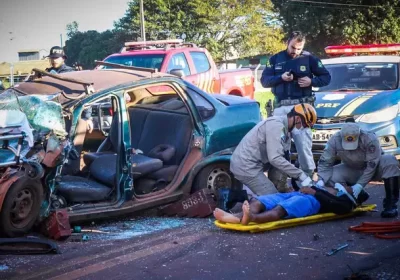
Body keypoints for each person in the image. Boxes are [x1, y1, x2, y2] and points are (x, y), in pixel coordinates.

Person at [261, 31, 331, 178]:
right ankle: (280, 181)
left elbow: (326, 77)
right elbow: (265, 81)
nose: (295, 51)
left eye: (299, 48)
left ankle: (309, 179)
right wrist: (280, 78)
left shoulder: (309, 58)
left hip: (302, 108)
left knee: (303, 146)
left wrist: (311, 81)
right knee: (278, 147)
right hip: (281, 109)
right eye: (293, 47)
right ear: (288, 42)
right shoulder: (275, 59)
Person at [230, 103, 317, 196]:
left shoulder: (286, 129)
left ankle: (273, 192)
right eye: (305, 125)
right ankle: (234, 198)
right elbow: (275, 158)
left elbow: (283, 157)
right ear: (298, 119)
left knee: (277, 192)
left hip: (256, 163)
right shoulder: (276, 125)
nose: (303, 129)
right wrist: (300, 175)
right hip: (246, 166)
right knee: (273, 199)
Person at [317, 122, 400, 218]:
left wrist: (360, 185)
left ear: (359, 135)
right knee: (330, 176)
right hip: (353, 168)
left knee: (390, 161)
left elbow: (371, 166)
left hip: (375, 168)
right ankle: (354, 197)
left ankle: (391, 204)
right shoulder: (334, 140)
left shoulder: (370, 138)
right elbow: (325, 162)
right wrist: (321, 180)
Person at [214, 183, 366, 225]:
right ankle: (238, 217)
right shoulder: (337, 187)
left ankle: (252, 218)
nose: (348, 185)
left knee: (281, 209)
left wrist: (315, 192)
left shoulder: (347, 201)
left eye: (351, 187)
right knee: (262, 200)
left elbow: (341, 208)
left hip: (311, 201)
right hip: (299, 193)